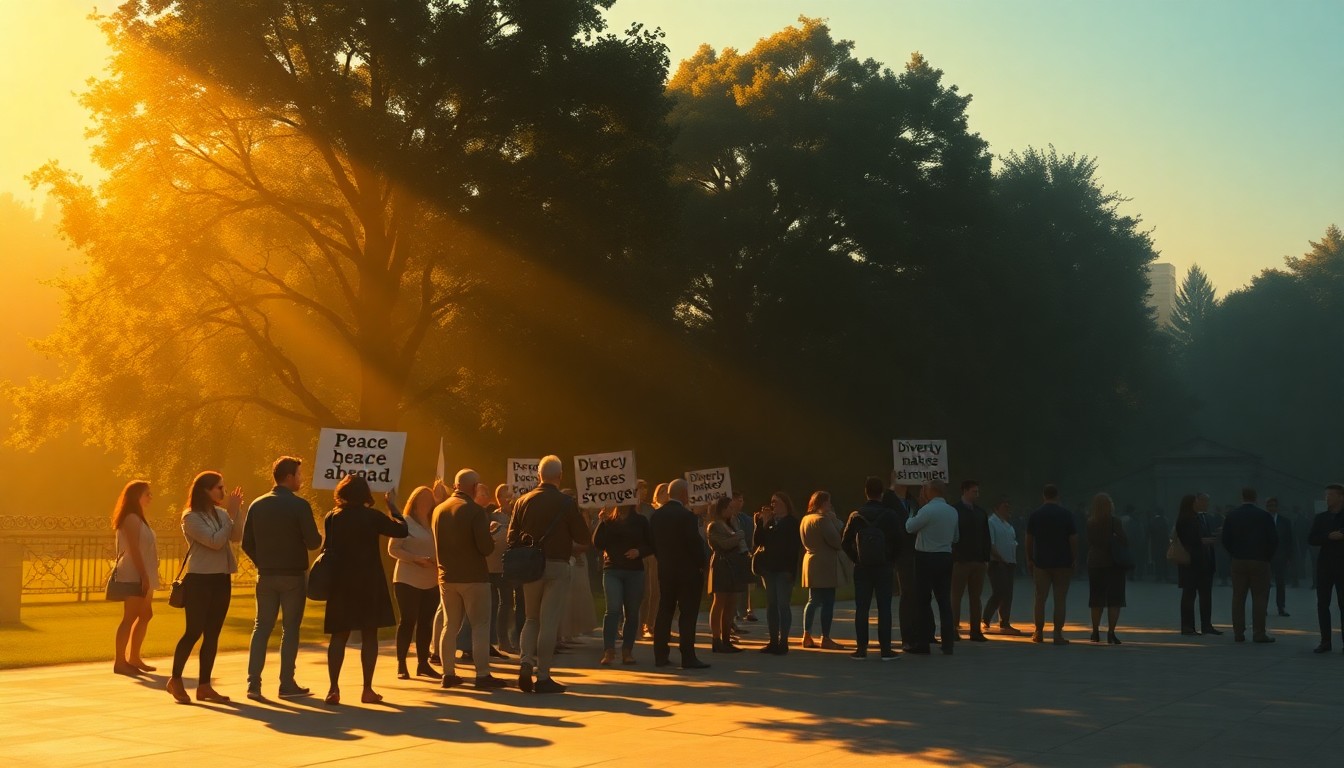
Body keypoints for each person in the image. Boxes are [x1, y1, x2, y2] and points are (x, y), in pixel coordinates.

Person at [321, 475, 408, 705]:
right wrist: (393, 507)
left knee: (339, 636)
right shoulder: (372, 517)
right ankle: (367, 689)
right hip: (369, 581)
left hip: (341, 582)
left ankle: (333, 688)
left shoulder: (332, 517)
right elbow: (402, 530)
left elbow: (326, 547)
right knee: (370, 634)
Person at [507, 455, 591, 693]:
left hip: (530, 566)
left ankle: (525, 661)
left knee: (531, 618)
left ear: (538, 475)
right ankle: (543, 676)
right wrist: (566, 545)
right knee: (549, 622)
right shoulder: (565, 502)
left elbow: (511, 538)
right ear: (560, 475)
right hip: (556, 565)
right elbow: (584, 538)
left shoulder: (522, 501)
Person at [242, 456, 322, 700]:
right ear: (289, 477)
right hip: (293, 575)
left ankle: (253, 683)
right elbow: (313, 542)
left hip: (266, 575)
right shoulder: (299, 506)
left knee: (261, 627)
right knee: (290, 629)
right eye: (299, 474)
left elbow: (247, 543)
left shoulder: (257, 504)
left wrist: (262, 561)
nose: (302, 479)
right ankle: (286, 682)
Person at [167, 472, 245, 704]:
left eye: (224, 487)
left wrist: (236, 513)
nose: (224, 492)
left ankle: (204, 686)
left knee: (212, 634)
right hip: (200, 580)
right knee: (194, 631)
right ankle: (175, 679)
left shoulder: (221, 513)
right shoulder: (190, 517)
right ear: (205, 490)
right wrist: (230, 515)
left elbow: (236, 537)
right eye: (219, 488)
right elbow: (214, 541)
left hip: (220, 579)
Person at [433, 469, 506, 689]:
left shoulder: (439, 509)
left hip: (447, 576)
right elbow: (484, 547)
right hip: (474, 576)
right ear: (474, 487)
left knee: (450, 624)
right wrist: (491, 535)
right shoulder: (475, 511)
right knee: (480, 625)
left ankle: (448, 673)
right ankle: (482, 674)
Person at [649, 479, 711, 669]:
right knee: (687, 614)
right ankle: (688, 656)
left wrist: (663, 559)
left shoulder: (656, 516)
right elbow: (694, 544)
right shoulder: (687, 517)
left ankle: (660, 655)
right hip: (688, 571)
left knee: (664, 610)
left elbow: (652, 542)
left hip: (666, 569)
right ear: (684, 494)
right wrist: (702, 564)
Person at [842, 477, 902, 660]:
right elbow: (899, 541)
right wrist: (891, 560)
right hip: (884, 567)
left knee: (862, 608)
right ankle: (885, 650)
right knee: (884, 607)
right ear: (882, 493)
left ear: (865, 492)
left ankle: (861, 649)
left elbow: (845, 542)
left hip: (862, 567)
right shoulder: (890, 515)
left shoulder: (856, 515)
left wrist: (857, 558)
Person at [388, 486, 440, 680]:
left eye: (430, 499)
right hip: (407, 579)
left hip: (431, 579)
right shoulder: (405, 522)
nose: (427, 502)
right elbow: (393, 549)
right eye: (423, 499)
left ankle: (423, 663)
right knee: (408, 620)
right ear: (415, 501)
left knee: (426, 623)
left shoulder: (434, 523)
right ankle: (401, 664)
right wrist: (415, 558)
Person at [593, 502, 654, 664]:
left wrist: (639, 551)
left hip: (634, 571)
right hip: (612, 569)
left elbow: (651, 544)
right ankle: (609, 651)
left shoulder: (640, 520)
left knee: (632, 612)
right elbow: (598, 543)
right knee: (612, 609)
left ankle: (627, 650)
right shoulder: (609, 520)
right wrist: (601, 522)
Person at [905, 479, 959, 655]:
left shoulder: (927, 510)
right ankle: (948, 642)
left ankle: (922, 642)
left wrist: (916, 509)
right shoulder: (952, 511)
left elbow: (909, 527)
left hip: (926, 557)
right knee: (944, 600)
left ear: (930, 492)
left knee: (922, 600)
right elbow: (956, 537)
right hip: (945, 556)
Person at [110, 480, 159, 676]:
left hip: (144, 573)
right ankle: (120, 662)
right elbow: (134, 549)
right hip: (134, 574)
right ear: (136, 496)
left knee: (146, 614)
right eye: (147, 494)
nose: (150, 498)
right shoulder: (130, 518)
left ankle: (134, 657)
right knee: (130, 617)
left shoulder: (139, 518)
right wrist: (143, 575)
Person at [1222, 488, 1277, 644]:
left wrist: (1234, 553)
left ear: (1242, 498)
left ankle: (1238, 632)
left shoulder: (1232, 515)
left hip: (1238, 560)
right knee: (1260, 597)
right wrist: (1267, 557)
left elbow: (1225, 539)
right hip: (1259, 560)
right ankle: (1259, 633)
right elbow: (1273, 539)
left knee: (1238, 597)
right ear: (1256, 498)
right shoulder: (1264, 516)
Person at [1025, 484, 1076, 645]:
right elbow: (1073, 539)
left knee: (1040, 598)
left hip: (1041, 562)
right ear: (1057, 496)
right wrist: (1074, 558)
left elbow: (1029, 538)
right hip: (1062, 562)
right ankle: (1057, 634)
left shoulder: (1036, 515)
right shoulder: (1066, 515)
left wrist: (1029, 558)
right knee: (1060, 599)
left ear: (1044, 496)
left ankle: (1038, 632)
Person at [754, 491, 800, 655]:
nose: (773, 505)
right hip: (769, 569)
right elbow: (758, 541)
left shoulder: (791, 523)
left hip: (784, 570)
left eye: (776, 502)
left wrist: (791, 571)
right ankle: (773, 641)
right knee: (771, 605)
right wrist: (761, 524)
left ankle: (783, 641)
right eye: (771, 502)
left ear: (785, 504)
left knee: (783, 604)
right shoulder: (770, 521)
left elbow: (792, 549)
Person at [800, 491, 846, 650]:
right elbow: (837, 541)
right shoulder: (823, 520)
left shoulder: (805, 519)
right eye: (828, 502)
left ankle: (806, 634)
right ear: (823, 503)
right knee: (828, 602)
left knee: (812, 600)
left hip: (810, 561)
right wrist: (836, 522)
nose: (830, 506)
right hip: (825, 564)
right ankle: (825, 637)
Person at [704, 496, 747, 654]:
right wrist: (737, 537)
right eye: (729, 508)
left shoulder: (731, 524)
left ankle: (727, 639)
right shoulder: (714, 526)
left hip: (733, 566)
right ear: (721, 510)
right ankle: (716, 640)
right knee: (720, 601)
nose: (732, 510)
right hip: (721, 565)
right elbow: (723, 544)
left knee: (731, 602)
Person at [880, 477, 919, 649]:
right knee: (907, 593)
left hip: (915, 550)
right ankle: (907, 638)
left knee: (917, 594)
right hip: (899, 552)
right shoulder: (889, 499)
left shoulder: (913, 500)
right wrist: (892, 485)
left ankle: (921, 633)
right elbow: (885, 502)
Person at [951, 480, 991, 643]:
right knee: (956, 597)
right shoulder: (955, 511)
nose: (977, 494)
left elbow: (986, 537)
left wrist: (986, 558)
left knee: (976, 597)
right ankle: (953, 629)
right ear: (965, 491)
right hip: (960, 560)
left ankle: (975, 631)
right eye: (974, 491)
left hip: (978, 561)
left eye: (977, 491)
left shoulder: (981, 512)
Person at [1085, 493, 1128, 645]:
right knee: (1115, 600)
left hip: (1095, 562)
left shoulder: (1090, 522)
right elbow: (1124, 539)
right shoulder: (1114, 521)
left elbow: (1089, 541)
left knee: (1096, 599)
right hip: (1113, 563)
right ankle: (1111, 632)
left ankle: (1095, 631)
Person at [1309, 483, 1344, 653]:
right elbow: (1312, 539)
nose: (1327, 498)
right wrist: (1328, 536)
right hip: (1325, 566)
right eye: (1326, 495)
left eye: (1330, 495)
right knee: (1323, 604)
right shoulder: (1321, 517)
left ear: (1340, 497)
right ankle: (1325, 641)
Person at [983, 496, 1021, 635]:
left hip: (1010, 562)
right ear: (997, 508)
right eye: (1005, 506)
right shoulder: (991, 522)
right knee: (999, 591)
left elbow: (1012, 542)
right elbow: (990, 544)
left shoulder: (1007, 524)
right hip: (997, 563)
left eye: (1008, 506)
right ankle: (987, 618)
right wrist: (1000, 559)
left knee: (1008, 593)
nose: (1008, 509)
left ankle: (1004, 621)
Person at [1175, 495, 1211, 635]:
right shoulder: (1187, 519)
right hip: (1191, 561)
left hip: (1193, 561)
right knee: (1189, 594)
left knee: (1190, 594)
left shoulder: (1190, 518)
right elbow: (1193, 540)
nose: (1198, 503)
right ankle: (1187, 626)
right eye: (1196, 501)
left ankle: (1191, 626)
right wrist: (1207, 541)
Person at [640, 481, 667, 638]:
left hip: (661, 552)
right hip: (647, 552)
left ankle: (653, 623)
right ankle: (644, 624)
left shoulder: (670, 509)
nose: (666, 494)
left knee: (658, 590)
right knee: (647, 590)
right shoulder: (650, 509)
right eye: (663, 491)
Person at [733, 492, 759, 624]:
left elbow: (752, 535)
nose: (740, 503)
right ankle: (736, 611)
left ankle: (750, 609)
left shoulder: (746, 519)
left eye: (741, 500)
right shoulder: (726, 518)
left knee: (749, 584)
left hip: (747, 553)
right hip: (732, 555)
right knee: (735, 586)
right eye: (737, 500)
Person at [1266, 498, 1293, 617]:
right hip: (1265, 557)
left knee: (1280, 583)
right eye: (1269, 506)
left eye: (1273, 506)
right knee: (1264, 584)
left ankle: (1281, 607)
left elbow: (1289, 540)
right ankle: (1263, 607)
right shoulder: (1262, 519)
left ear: (1277, 507)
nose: (1271, 508)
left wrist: (1289, 557)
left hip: (1281, 556)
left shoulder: (1285, 521)